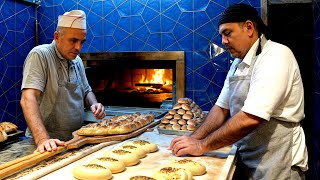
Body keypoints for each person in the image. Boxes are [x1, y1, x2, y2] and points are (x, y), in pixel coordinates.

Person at [169, 3, 308, 179]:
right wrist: (194, 139)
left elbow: (251, 117)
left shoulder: (276, 55)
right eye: (221, 35)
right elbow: (220, 108)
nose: (223, 41)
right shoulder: (238, 64)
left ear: (249, 27)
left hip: (279, 157)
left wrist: (202, 145)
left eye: (228, 33)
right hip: (250, 154)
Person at [20, 10, 106, 153]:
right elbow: (28, 98)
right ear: (57, 36)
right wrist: (42, 139)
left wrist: (94, 103)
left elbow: (86, 91)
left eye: (82, 42)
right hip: (45, 145)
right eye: (73, 40)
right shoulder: (40, 55)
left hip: (74, 141)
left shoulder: (77, 61)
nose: (78, 47)